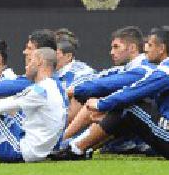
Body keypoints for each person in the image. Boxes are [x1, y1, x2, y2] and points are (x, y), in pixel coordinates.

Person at [57, 26, 169, 161]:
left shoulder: (168, 71)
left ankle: (72, 147)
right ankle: (77, 147)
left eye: (150, 45)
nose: (146, 49)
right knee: (125, 104)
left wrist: (100, 104)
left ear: (162, 49)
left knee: (129, 105)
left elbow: (132, 92)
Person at [59, 26, 153, 155]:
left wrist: (74, 90)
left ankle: (64, 144)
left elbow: (104, 86)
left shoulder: (144, 67)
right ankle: (66, 143)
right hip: (136, 124)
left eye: (116, 47)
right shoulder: (125, 68)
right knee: (92, 100)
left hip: (153, 127)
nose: (111, 52)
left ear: (132, 48)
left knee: (97, 103)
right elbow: (99, 79)